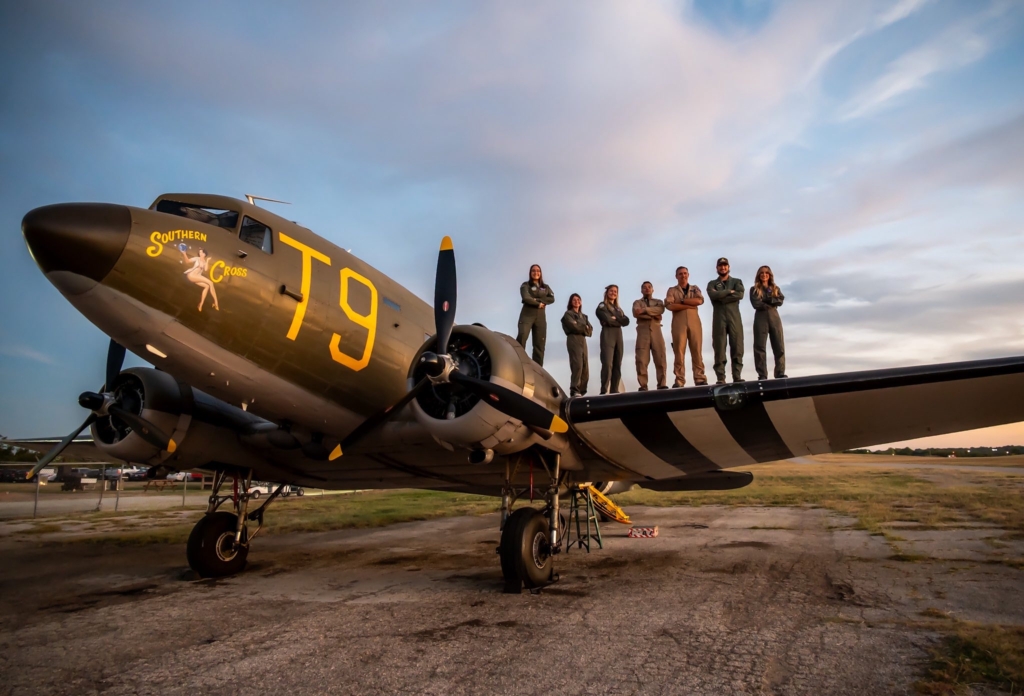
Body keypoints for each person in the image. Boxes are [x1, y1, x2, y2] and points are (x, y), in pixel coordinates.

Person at [664, 266, 707, 387]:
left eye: (685, 273)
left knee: (697, 350)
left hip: (694, 322)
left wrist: (681, 301)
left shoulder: (694, 288)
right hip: (679, 322)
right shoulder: (671, 290)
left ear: (688, 275)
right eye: (680, 274)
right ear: (676, 276)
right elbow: (670, 306)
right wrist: (689, 304)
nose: (683, 275)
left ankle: (699, 378)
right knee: (679, 351)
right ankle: (679, 379)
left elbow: (699, 301)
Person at [707, 257, 744, 384]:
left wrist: (721, 296)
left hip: (734, 317)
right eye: (720, 266)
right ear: (717, 268)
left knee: (737, 346)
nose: (723, 268)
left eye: (725, 266)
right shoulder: (712, 284)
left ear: (729, 267)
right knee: (719, 347)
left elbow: (739, 295)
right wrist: (729, 292)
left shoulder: (737, 281)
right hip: (719, 318)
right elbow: (712, 295)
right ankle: (721, 377)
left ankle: (737, 376)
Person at [749, 265, 787, 380]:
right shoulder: (754, 289)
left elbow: (780, 300)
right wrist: (771, 301)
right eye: (761, 273)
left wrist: (767, 300)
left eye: (766, 273)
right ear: (758, 275)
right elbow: (756, 303)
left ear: (770, 275)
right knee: (760, 346)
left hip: (774, 316)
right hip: (761, 317)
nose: (764, 275)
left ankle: (780, 372)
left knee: (779, 345)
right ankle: (762, 374)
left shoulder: (775, 288)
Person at [632, 282, 668, 390]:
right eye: (644, 287)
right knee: (641, 360)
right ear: (641, 290)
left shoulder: (658, 302)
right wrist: (654, 315)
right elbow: (636, 313)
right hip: (643, 331)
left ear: (653, 289)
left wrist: (645, 311)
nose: (647, 289)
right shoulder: (637, 302)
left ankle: (661, 384)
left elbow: (660, 310)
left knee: (660, 358)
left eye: (649, 287)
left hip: (656, 330)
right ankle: (643, 385)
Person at [517, 264, 555, 365]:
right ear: (530, 273)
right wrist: (538, 304)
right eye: (533, 271)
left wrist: (537, 299)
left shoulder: (545, 287)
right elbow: (526, 298)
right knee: (522, 336)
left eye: (538, 271)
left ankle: (537, 368)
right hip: (527, 315)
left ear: (541, 273)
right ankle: (518, 362)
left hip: (540, 317)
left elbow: (551, 298)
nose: (536, 272)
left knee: (540, 344)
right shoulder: (525, 285)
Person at [595, 285, 630, 394]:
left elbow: (626, 321)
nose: (613, 293)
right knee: (607, 363)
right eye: (611, 291)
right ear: (607, 292)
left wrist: (616, 318)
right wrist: (618, 320)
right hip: (608, 333)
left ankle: (614, 390)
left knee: (617, 363)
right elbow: (606, 319)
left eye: (615, 291)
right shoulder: (602, 306)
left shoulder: (618, 309)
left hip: (618, 335)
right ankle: (604, 389)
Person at [561, 294, 593, 396]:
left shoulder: (584, 316)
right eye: (574, 300)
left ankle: (582, 391)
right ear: (571, 302)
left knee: (585, 367)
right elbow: (574, 327)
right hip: (573, 339)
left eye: (578, 299)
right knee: (577, 365)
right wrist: (584, 326)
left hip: (583, 341)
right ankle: (574, 390)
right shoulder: (568, 314)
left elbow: (590, 331)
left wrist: (579, 324)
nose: (576, 301)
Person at [181, 248, 219, 312]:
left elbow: (206, 269)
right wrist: (184, 254)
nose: (200, 253)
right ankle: (216, 303)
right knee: (210, 283)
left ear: (204, 254)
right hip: (191, 275)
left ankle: (200, 304)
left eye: (201, 252)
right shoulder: (197, 258)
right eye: (199, 252)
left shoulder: (204, 262)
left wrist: (207, 261)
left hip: (197, 276)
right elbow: (187, 261)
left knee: (207, 286)